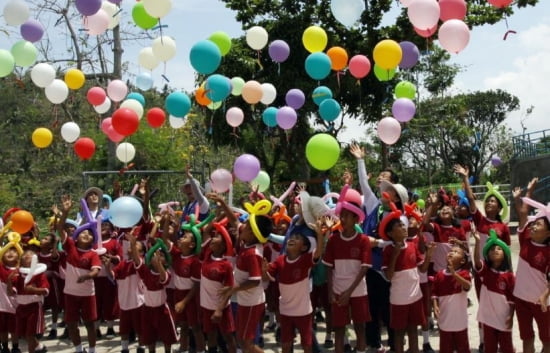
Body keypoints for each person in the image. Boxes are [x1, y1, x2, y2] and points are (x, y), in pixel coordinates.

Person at [349, 143, 404, 352]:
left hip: (391, 265)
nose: (381, 180)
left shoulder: (400, 213)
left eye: (386, 178)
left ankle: (393, 343)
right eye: (380, 177)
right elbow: (364, 183)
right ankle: (373, 343)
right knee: (372, 304)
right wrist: (360, 160)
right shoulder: (373, 204)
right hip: (372, 265)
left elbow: (401, 240)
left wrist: (381, 242)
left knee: (390, 307)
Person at [215, 196, 273, 353]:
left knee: (247, 344)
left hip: (252, 303)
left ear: (253, 233)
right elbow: (234, 221)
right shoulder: (247, 239)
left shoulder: (252, 254)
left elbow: (255, 281)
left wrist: (232, 289)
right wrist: (223, 203)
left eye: (246, 226)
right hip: (245, 301)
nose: (242, 226)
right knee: (241, 340)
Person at [264, 216, 329, 353]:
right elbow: (268, 277)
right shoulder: (280, 261)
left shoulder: (305, 260)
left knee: (307, 344)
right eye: (291, 237)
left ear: (304, 247)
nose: (292, 239)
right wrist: (264, 271)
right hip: (285, 311)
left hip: (303, 312)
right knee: (286, 344)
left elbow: (318, 252)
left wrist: (319, 233)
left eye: (297, 238)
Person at [323, 185, 372, 353]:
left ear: (356, 219)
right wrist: (330, 291)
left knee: (360, 327)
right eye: (341, 215)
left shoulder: (364, 240)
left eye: (346, 216)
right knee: (339, 329)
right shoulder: (333, 240)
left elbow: (364, 269)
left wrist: (349, 291)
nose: (342, 219)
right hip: (337, 290)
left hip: (358, 291)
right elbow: (329, 268)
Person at [381, 212, 434, 353]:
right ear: (391, 234)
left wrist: (428, 256)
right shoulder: (388, 250)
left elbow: (422, 269)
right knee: (399, 333)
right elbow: (389, 276)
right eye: (399, 226)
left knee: (413, 330)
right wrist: (395, 255)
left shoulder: (412, 245)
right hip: (399, 300)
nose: (404, 227)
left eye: (403, 224)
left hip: (415, 297)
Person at [58, 195, 102, 353]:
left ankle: (92, 350)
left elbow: (96, 270)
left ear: (93, 239)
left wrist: (87, 276)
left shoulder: (93, 253)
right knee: (71, 323)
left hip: (87, 294)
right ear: (76, 236)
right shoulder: (70, 247)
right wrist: (65, 212)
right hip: (70, 293)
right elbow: (60, 228)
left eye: (90, 234)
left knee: (90, 324)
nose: (87, 235)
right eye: (84, 232)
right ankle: (78, 349)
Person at [159, 212, 206, 353]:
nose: (180, 238)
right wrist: (167, 221)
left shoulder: (195, 261)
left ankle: (201, 350)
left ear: (192, 244)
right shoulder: (177, 254)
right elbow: (164, 238)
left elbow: (196, 285)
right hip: (178, 294)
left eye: (184, 237)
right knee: (183, 325)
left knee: (195, 327)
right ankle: (183, 349)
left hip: (190, 298)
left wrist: (184, 302)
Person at [512, 178, 549, 353]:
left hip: (542, 303)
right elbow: (523, 215)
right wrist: (527, 193)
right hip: (521, 299)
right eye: (533, 224)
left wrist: (544, 296)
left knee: (547, 341)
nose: (533, 226)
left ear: (548, 232)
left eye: (538, 224)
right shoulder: (525, 239)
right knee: (527, 338)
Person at [129, 235, 178, 353]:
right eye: (155, 255)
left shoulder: (167, 273)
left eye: (161, 256)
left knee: (167, 338)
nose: (157, 257)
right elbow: (136, 259)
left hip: (162, 310)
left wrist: (159, 264)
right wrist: (132, 243)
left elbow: (163, 278)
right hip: (148, 309)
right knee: (149, 337)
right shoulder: (145, 270)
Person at [472, 229, 515, 353]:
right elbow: (476, 262)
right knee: (490, 347)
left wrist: (511, 317)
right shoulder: (485, 271)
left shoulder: (509, 276)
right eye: (491, 249)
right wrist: (478, 243)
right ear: (487, 255)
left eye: (498, 249)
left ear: (505, 255)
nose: (495, 251)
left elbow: (512, 300)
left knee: (506, 346)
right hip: (488, 318)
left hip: (503, 317)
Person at [199, 219, 237, 353]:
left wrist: (219, 310)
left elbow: (229, 290)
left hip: (221, 308)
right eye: (213, 236)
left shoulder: (226, 265)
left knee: (228, 337)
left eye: (217, 237)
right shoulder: (207, 255)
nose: (213, 238)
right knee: (211, 335)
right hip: (206, 306)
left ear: (223, 245)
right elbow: (207, 230)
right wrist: (217, 219)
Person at [106, 234, 146, 353]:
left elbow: (136, 259)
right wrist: (107, 266)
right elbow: (112, 275)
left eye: (136, 246)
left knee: (140, 328)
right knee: (124, 329)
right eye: (132, 245)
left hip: (138, 302)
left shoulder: (139, 263)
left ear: (142, 253)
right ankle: (124, 349)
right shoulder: (123, 263)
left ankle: (141, 347)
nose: (131, 247)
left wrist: (133, 243)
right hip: (124, 302)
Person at [431, 244, 472, 353]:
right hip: (445, 321)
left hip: (460, 322)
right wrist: (435, 306)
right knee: (445, 348)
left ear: (462, 261)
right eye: (451, 251)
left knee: (462, 348)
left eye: (456, 252)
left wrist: (454, 274)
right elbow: (434, 293)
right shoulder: (439, 275)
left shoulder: (464, 274)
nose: (451, 252)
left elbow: (467, 285)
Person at [7, 250, 49, 353]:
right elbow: (11, 293)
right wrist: (9, 281)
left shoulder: (39, 275)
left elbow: (45, 291)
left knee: (30, 334)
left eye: (30, 256)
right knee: (23, 334)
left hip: (34, 307)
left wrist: (33, 290)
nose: (26, 256)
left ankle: (34, 350)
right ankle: (39, 346)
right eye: (25, 255)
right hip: (21, 307)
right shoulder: (17, 275)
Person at [94, 219, 121, 338]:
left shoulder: (114, 242)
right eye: (101, 225)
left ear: (111, 229)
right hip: (96, 277)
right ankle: (96, 328)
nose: (103, 227)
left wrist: (110, 258)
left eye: (106, 225)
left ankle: (110, 327)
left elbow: (120, 258)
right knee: (96, 303)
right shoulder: (93, 243)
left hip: (109, 277)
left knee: (109, 302)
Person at [0, 235, 22, 353]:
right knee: (2, 330)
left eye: (13, 251)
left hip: (15, 307)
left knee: (14, 330)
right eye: (7, 251)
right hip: (1, 306)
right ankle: (4, 347)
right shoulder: (1, 267)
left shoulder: (20, 271)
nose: (9, 253)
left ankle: (15, 347)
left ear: (18, 256)